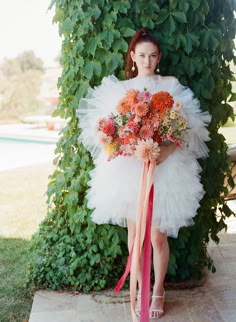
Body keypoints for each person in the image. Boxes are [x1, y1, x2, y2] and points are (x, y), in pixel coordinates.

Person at [78, 28, 211, 320]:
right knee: (135, 234)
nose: (147, 61)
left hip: (165, 168)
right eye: (142, 55)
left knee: (156, 237)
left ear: (158, 57)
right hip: (131, 170)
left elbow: (187, 129)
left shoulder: (170, 84)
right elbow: (109, 133)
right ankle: (138, 289)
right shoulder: (123, 90)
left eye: (152, 55)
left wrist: (165, 150)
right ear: (133, 56)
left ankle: (159, 289)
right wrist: (128, 144)